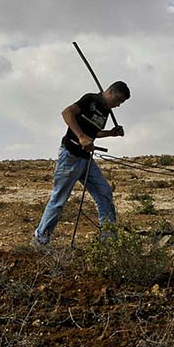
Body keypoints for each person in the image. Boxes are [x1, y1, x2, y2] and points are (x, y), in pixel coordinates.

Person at [32, 81, 130, 247]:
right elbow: (67, 113)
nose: (118, 105)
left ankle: (108, 241)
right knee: (58, 200)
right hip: (70, 156)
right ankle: (40, 240)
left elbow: (94, 131)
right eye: (119, 100)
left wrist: (110, 133)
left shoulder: (105, 111)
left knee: (104, 191)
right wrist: (81, 136)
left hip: (86, 159)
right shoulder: (90, 100)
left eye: (121, 103)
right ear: (111, 92)